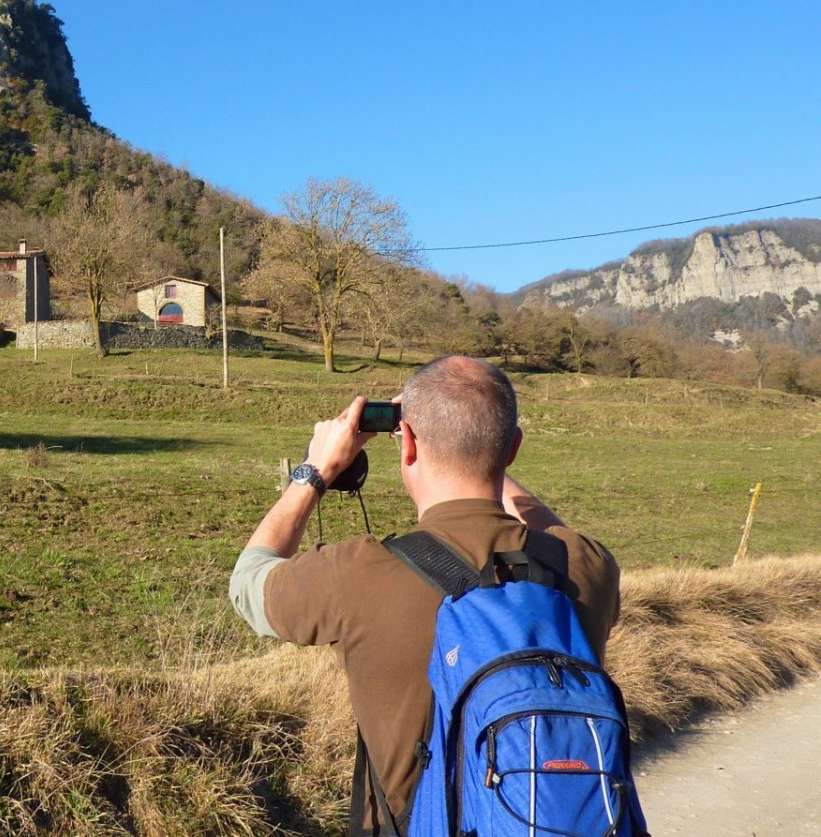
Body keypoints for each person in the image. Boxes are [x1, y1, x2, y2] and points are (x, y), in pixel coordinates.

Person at [228, 356, 622, 835]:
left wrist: (316, 470)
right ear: (513, 449)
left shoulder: (358, 573)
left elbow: (249, 581)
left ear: (407, 442)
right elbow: (547, 526)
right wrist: (485, 445)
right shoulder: (586, 566)